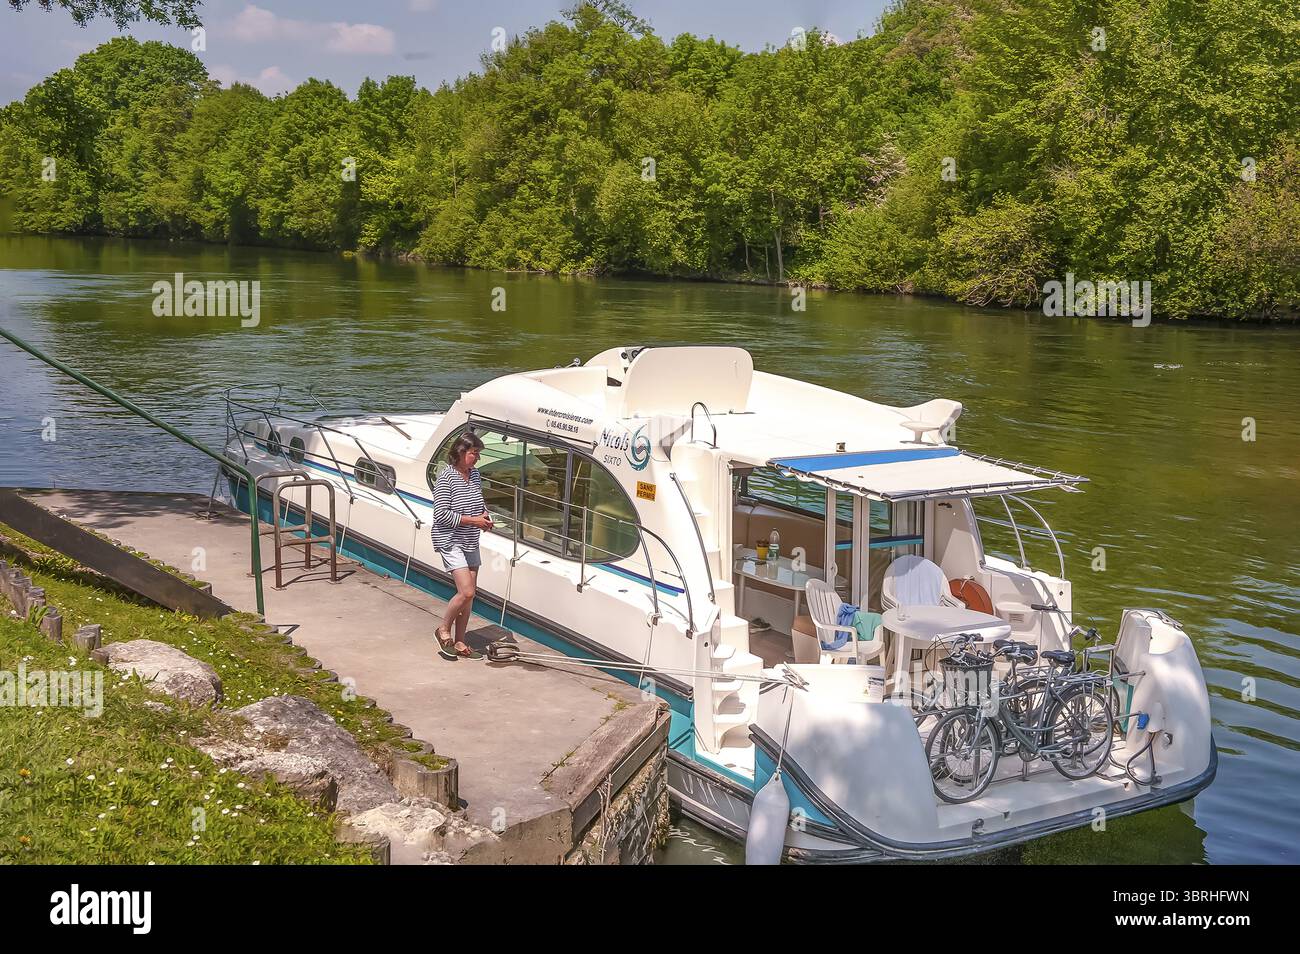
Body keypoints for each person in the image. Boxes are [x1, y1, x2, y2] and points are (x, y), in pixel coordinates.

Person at [431, 431, 491, 660]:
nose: (477, 458)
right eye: (474, 453)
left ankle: (460, 641)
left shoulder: (474, 475)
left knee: (469, 596)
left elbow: (478, 502)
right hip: (450, 539)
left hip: (470, 539)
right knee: (466, 591)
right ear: (461, 452)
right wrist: (471, 520)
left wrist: (484, 517)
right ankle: (443, 629)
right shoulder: (446, 478)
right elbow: (441, 515)